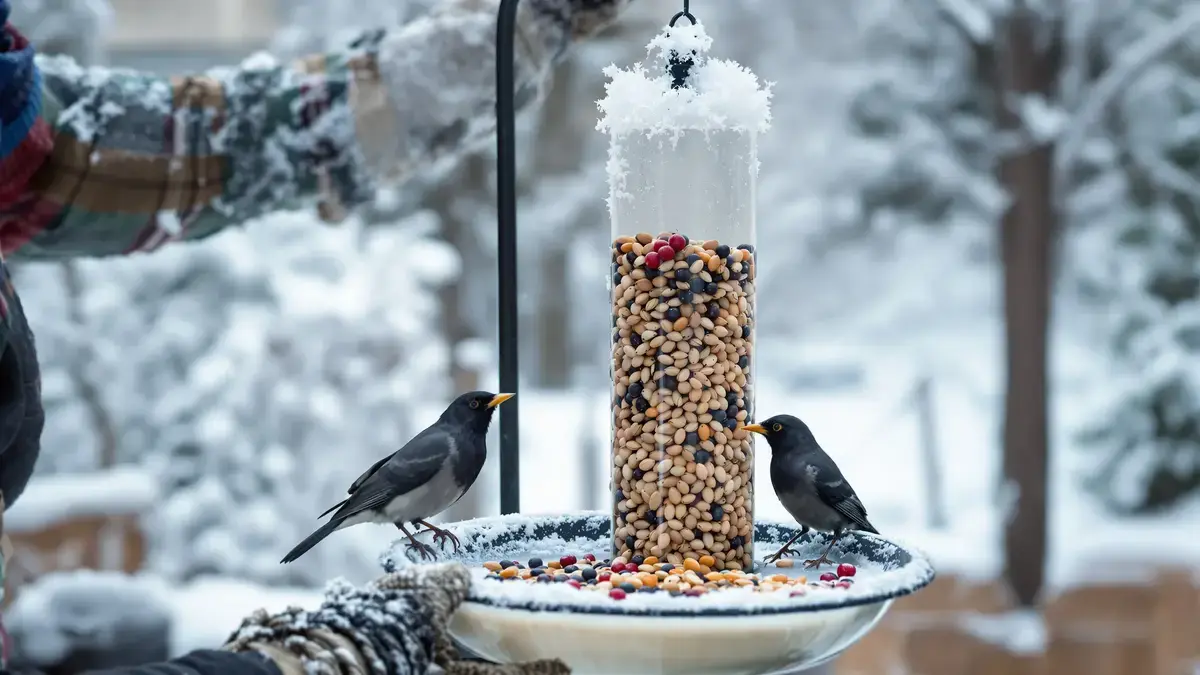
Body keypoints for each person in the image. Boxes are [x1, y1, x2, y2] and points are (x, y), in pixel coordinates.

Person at [0, 0, 635, 672]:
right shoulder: (450, 439)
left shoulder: (21, 124)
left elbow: (213, 142)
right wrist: (308, 662)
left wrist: (503, 44)